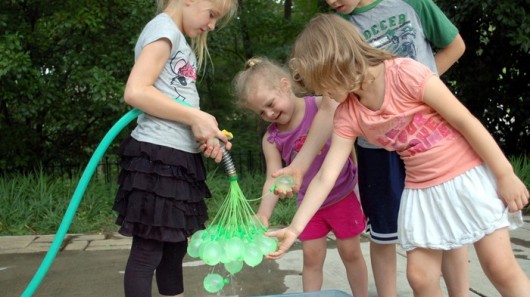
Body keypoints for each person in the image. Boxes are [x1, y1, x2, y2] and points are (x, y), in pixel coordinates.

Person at [266, 13, 530, 297]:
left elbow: (465, 121)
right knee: (420, 276)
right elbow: (325, 177)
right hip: (422, 189)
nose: (323, 94)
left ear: (339, 62)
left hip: (464, 174)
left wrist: (504, 174)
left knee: (499, 267)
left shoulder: (405, 73)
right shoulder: (348, 113)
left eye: (324, 83)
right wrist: (294, 228)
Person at [112, 1, 238, 296]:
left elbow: (176, 103)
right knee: (148, 252)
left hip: (178, 158)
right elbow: (136, 90)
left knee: (173, 250)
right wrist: (196, 117)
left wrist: (204, 132)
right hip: (157, 158)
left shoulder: (178, 39)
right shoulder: (164, 30)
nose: (212, 26)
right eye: (212, 15)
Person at [233, 57, 368, 297]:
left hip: (342, 196)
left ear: (285, 85)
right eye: (261, 112)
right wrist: (264, 213)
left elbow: (349, 140)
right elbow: (272, 179)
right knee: (311, 257)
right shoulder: (271, 139)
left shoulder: (321, 107)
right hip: (309, 204)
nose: (269, 113)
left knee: (351, 252)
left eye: (271, 104)